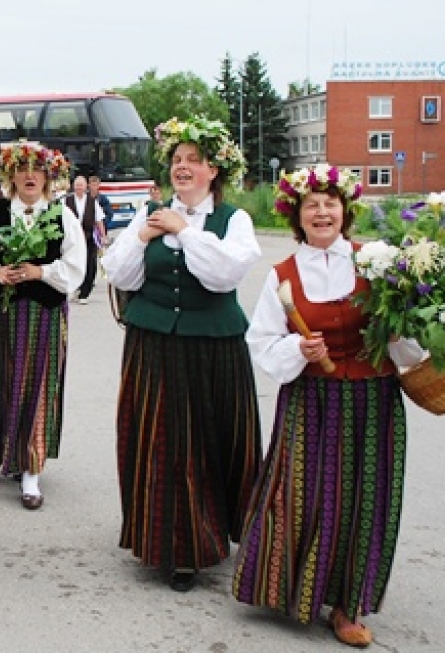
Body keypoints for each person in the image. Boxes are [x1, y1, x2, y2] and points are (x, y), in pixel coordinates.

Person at [233, 164, 424, 648]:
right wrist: (299, 350)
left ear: (345, 211)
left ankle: (348, 604)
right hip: (310, 401)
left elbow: (413, 350)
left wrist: (400, 335)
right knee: (304, 495)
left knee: (365, 501)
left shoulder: (378, 263)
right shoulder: (283, 275)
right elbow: (261, 343)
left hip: (373, 400)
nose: (322, 212)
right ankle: (293, 587)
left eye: (330, 203)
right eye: (311, 205)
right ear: (297, 217)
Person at [102, 116, 262, 592]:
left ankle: (216, 530)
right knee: (162, 442)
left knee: (212, 440)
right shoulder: (147, 214)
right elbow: (121, 274)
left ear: (215, 170)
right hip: (153, 346)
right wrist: (146, 234)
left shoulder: (234, 220)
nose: (184, 167)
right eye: (177, 160)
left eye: (194, 160)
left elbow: (224, 276)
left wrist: (185, 231)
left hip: (212, 348)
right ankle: (174, 545)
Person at [0, 142, 86, 510]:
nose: (30, 175)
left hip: (45, 314)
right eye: (23, 168)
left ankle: (31, 466)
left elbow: (76, 267)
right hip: (4, 313)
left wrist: (40, 271)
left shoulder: (62, 215)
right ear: (11, 175)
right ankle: (11, 455)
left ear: (48, 176)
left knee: (39, 384)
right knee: (2, 381)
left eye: (37, 169)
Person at [64, 175, 107, 304]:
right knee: (73, 263)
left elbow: (99, 220)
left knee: (90, 265)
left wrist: (103, 236)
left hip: (88, 238)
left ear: (85, 187)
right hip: (72, 239)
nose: (79, 188)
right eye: (77, 185)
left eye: (81, 185)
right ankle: (75, 288)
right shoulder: (67, 201)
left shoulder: (92, 201)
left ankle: (84, 293)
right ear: (73, 186)